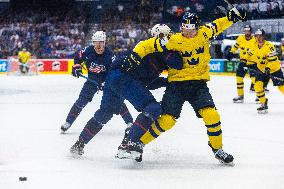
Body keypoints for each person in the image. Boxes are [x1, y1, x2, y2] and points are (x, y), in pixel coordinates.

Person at [116, 9, 247, 165]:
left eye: (191, 29)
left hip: (198, 84)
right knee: (167, 121)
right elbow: (146, 45)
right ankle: (140, 144)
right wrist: (134, 56)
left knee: (212, 115)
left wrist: (233, 17)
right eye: (185, 28)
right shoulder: (172, 39)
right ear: (181, 27)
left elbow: (220, 24)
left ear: (198, 28)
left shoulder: (205, 33)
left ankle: (217, 149)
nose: (188, 33)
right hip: (176, 85)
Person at [69, 24, 183, 160]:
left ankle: (79, 144)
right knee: (153, 108)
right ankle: (129, 142)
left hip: (114, 77)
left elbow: (148, 82)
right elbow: (178, 63)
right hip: (124, 78)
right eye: (169, 36)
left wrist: (166, 82)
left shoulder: (148, 48)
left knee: (104, 113)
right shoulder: (160, 49)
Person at [61, 31, 133, 133]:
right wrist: (76, 67)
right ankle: (68, 122)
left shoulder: (110, 56)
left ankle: (130, 122)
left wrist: (108, 83)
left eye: (101, 42)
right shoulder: (87, 50)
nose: (98, 45)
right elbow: (78, 58)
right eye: (96, 42)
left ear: (104, 42)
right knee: (81, 101)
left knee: (116, 101)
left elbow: (114, 72)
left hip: (106, 81)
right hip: (92, 81)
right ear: (93, 42)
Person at [246, 29, 284, 113]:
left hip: (274, 69)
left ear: (264, 36)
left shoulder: (269, 46)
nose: (258, 38)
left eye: (260, 36)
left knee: (281, 87)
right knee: (257, 86)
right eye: (256, 36)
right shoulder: (253, 46)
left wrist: (268, 68)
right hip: (262, 70)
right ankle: (263, 103)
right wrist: (244, 62)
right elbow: (248, 56)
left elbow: (273, 60)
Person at [228, 25, 257, 103]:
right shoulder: (240, 38)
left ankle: (259, 95)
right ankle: (240, 96)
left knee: (255, 79)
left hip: (253, 62)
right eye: (245, 31)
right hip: (242, 61)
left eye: (248, 31)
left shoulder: (255, 39)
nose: (246, 32)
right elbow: (235, 46)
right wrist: (231, 52)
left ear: (251, 32)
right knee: (239, 78)